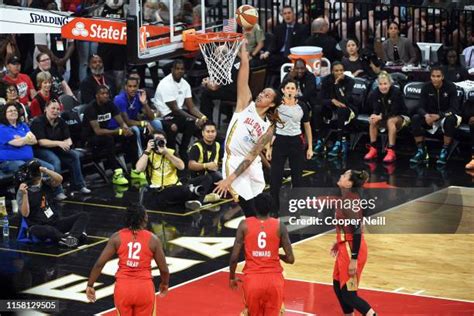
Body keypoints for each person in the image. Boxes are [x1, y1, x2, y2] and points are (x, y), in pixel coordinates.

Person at [213, 41, 282, 217]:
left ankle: (266, 236)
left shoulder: (268, 128)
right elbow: (244, 71)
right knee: (249, 211)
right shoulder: (245, 104)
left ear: (272, 104)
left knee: (262, 208)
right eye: (262, 92)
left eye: (267, 95)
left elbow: (252, 156)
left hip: (251, 164)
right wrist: (243, 48)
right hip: (234, 160)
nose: (261, 94)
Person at [86, 204, 169, 314]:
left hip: (123, 289)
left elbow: (99, 264)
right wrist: (164, 283)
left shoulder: (116, 237)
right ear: (144, 218)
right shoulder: (153, 240)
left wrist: (90, 285)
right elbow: (164, 269)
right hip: (144, 289)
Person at [229, 193, 294, 316]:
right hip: (274, 281)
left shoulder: (244, 225)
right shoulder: (280, 225)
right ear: (271, 207)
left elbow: (234, 257)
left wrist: (232, 277)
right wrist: (276, 255)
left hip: (253, 280)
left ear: (255, 207)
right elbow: (291, 259)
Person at [331, 169, 376, 316]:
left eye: (344, 176)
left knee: (349, 294)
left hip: (352, 250)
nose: (340, 176)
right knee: (338, 286)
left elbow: (357, 230)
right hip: (345, 247)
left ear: (349, 184)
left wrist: (354, 259)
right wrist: (338, 241)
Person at [136, 129, 215, 210]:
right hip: (160, 190)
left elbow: (181, 166)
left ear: (165, 141)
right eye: (156, 140)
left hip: (176, 186)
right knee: (183, 190)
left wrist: (166, 153)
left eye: (161, 140)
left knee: (207, 178)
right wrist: (147, 150)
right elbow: (139, 169)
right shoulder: (148, 154)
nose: (158, 142)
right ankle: (195, 194)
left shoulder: (171, 152)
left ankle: (198, 201)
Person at [0, 103, 66, 200]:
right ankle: (35, 198)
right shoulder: (2, 128)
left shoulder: (22, 125)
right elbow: (17, 143)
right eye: (10, 111)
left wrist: (22, 139)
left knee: (50, 168)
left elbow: (34, 140)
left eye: (15, 110)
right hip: (9, 161)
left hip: (28, 159)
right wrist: (26, 139)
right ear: (4, 114)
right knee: (27, 169)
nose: (13, 112)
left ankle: (55, 193)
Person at [16, 160, 89, 248]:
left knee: (83, 215)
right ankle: (68, 237)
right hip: (37, 226)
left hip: (54, 221)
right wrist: (25, 194)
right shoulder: (23, 191)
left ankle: (71, 238)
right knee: (49, 230)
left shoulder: (45, 183)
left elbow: (59, 179)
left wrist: (46, 171)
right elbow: (25, 213)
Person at [267, 78, 313, 212]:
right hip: (280, 141)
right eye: (288, 88)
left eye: (293, 88)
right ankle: (274, 208)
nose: (290, 91)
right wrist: (269, 147)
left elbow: (307, 126)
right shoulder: (277, 106)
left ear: (297, 91)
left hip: (296, 142)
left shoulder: (302, 106)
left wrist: (310, 147)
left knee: (297, 177)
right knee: (275, 177)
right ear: (282, 90)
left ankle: (296, 207)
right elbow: (271, 126)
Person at [30, 100, 91, 194]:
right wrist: (59, 143)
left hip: (56, 148)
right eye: (53, 108)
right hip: (40, 150)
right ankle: (58, 191)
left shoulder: (61, 121)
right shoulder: (38, 122)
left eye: (58, 109)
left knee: (73, 155)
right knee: (55, 160)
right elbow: (42, 142)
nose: (56, 111)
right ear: (45, 109)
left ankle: (79, 185)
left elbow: (68, 139)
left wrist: (67, 144)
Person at [153, 59, 207, 162]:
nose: (180, 71)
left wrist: (202, 117)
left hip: (177, 114)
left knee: (199, 124)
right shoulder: (165, 84)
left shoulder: (185, 84)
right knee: (177, 126)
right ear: (172, 69)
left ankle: (184, 150)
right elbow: (175, 109)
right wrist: (195, 119)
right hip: (164, 115)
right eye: (177, 69)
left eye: (182, 69)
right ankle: (173, 153)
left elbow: (191, 107)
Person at [82, 85, 134, 185]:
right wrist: (117, 131)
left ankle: (135, 168)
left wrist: (125, 128)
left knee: (130, 135)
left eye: (107, 93)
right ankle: (116, 173)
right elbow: (97, 131)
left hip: (106, 132)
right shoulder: (90, 108)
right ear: (97, 96)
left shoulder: (110, 104)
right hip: (90, 138)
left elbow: (121, 122)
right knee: (109, 139)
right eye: (103, 94)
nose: (106, 96)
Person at [410, 66, 461, 165]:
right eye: (433, 76)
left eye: (438, 76)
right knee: (415, 118)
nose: (435, 79)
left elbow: (454, 109)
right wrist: (426, 115)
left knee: (450, 119)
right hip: (430, 116)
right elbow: (420, 106)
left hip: (446, 115)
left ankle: (444, 150)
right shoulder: (426, 87)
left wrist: (439, 116)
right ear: (430, 77)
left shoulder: (451, 87)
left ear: (442, 77)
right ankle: (421, 150)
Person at [112, 77, 163, 162]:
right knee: (135, 129)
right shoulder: (119, 99)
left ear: (138, 86)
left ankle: (161, 151)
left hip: (133, 123)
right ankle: (140, 159)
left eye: (135, 86)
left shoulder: (138, 96)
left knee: (156, 122)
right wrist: (144, 123)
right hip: (119, 127)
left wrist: (145, 103)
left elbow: (151, 117)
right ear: (125, 87)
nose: (132, 89)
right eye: (130, 86)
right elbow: (127, 122)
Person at [364, 72, 409, 163]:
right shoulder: (375, 92)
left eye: (385, 84)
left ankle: (391, 150)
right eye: (380, 84)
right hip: (384, 116)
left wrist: (380, 117)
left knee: (390, 121)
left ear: (390, 84)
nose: (383, 87)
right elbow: (375, 109)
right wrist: (374, 115)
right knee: (373, 120)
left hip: (401, 117)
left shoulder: (396, 92)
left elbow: (394, 111)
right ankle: (373, 148)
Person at [316, 62, 355, 158]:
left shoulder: (349, 81)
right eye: (337, 71)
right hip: (332, 107)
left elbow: (345, 101)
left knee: (341, 109)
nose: (339, 73)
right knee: (317, 109)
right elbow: (320, 99)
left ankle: (339, 142)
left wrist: (337, 85)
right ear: (332, 71)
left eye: (341, 70)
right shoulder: (326, 80)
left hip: (348, 109)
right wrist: (332, 101)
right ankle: (320, 139)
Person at [267, 6, 309, 70]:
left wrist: (293, 55)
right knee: (270, 59)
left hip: (293, 56)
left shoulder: (302, 28)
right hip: (280, 56)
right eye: (285, 14)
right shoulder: (278, 28)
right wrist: (267, 52)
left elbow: (302, 45)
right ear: (283, 16)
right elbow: (273, 44)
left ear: (294, 15)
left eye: (289, 13)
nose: (287, 15)